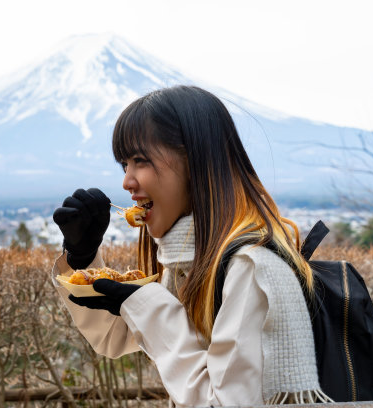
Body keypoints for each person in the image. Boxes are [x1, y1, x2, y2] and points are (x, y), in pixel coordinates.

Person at [52, 86, 333, 407]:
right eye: (124, 165)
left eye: (140, 160)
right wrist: (82, 257)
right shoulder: (192, 262)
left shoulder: (250, 268)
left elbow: (224, 402)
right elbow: (115, 337)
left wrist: (150, 305)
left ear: (196, 162)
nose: (127, 182)